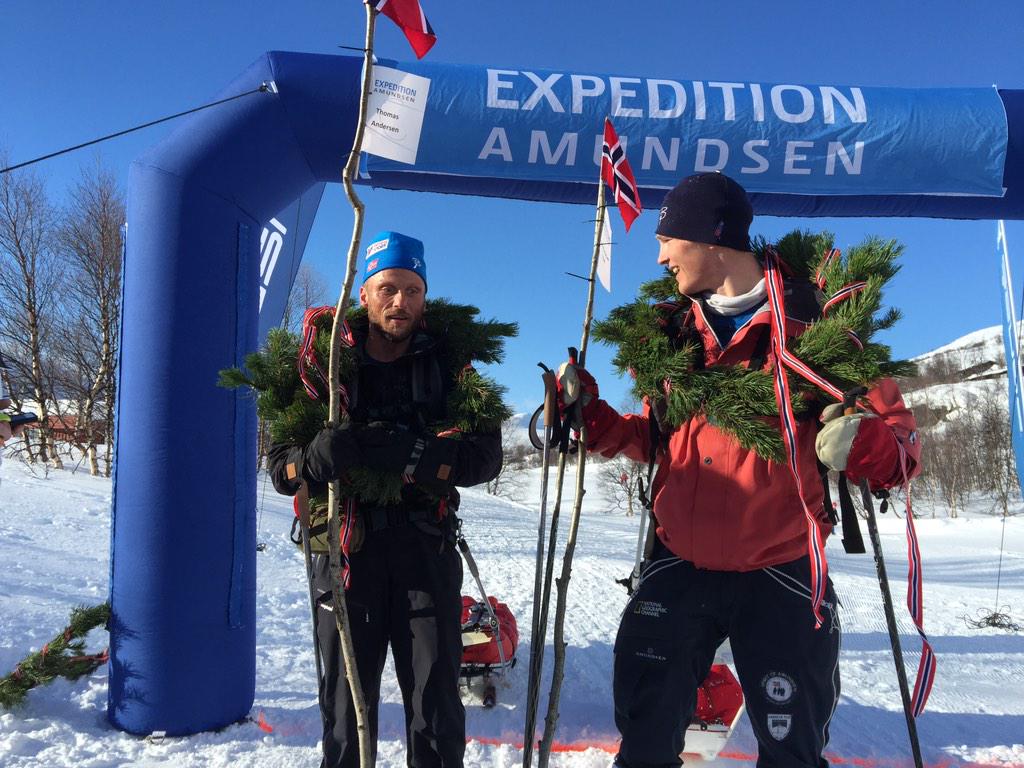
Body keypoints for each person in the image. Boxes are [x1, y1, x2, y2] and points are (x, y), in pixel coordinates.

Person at [557, 173, 921, 768]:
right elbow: (655, 439)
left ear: (711, 237)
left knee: (791, 751)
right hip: (680, 562)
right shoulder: (676, 333)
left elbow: (903, 452)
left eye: (667, 237)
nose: (659, 255)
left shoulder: (817, 326)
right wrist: (590, 418)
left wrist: (863, 443)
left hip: (779, 572)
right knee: (644, 743)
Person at [267, 231, 502, 768]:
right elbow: (279, 467)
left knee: (435, 696)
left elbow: (486, 459)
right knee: (346, 701)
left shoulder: (450, 366)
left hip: (424, 547)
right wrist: (311, 459)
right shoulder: (323, 367)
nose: (402, 303)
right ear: (365, 294)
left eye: (413, 290)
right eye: (389, 289)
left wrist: (418, 455)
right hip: (345, 552)